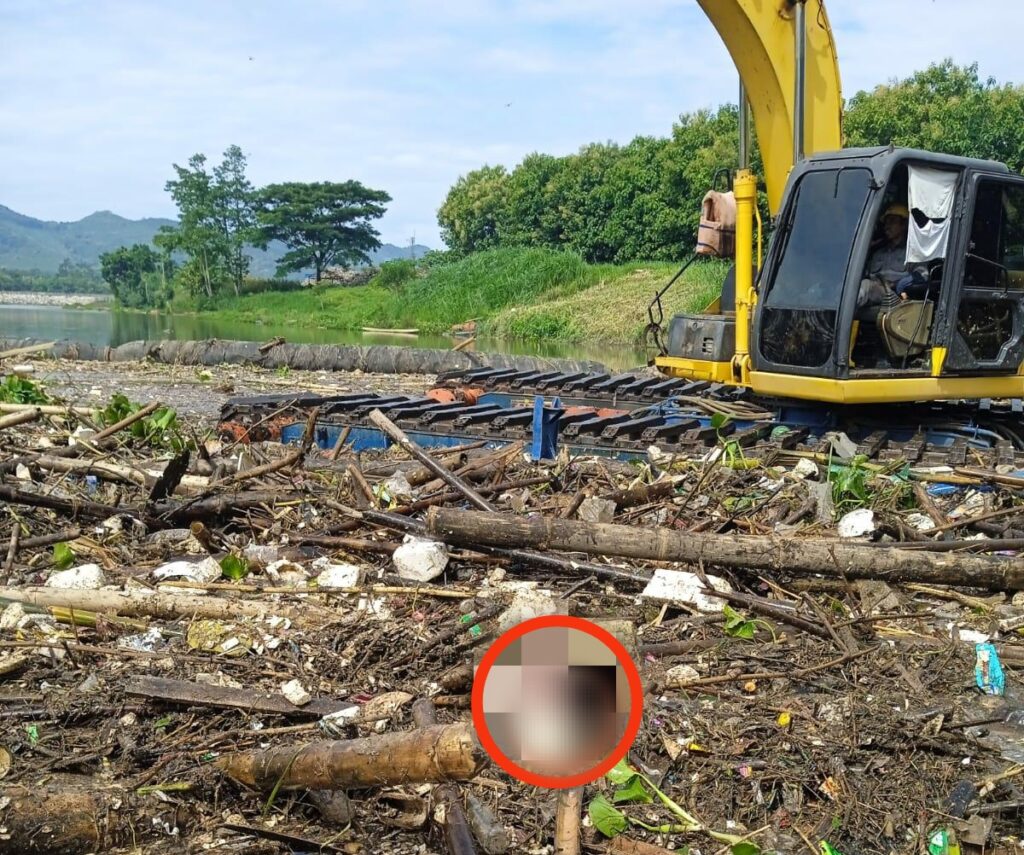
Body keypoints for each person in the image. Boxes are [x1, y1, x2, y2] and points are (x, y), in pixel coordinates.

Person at [857, 204, 927, 309]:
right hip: (874, 293)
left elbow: (923, 275)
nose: (887, 226)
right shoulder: (878, 254)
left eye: (892, 221)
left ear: (903, 225)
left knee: (866, 285)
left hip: (896, 296)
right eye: (886, 223)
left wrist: (898, 284)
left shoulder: (912, 253)